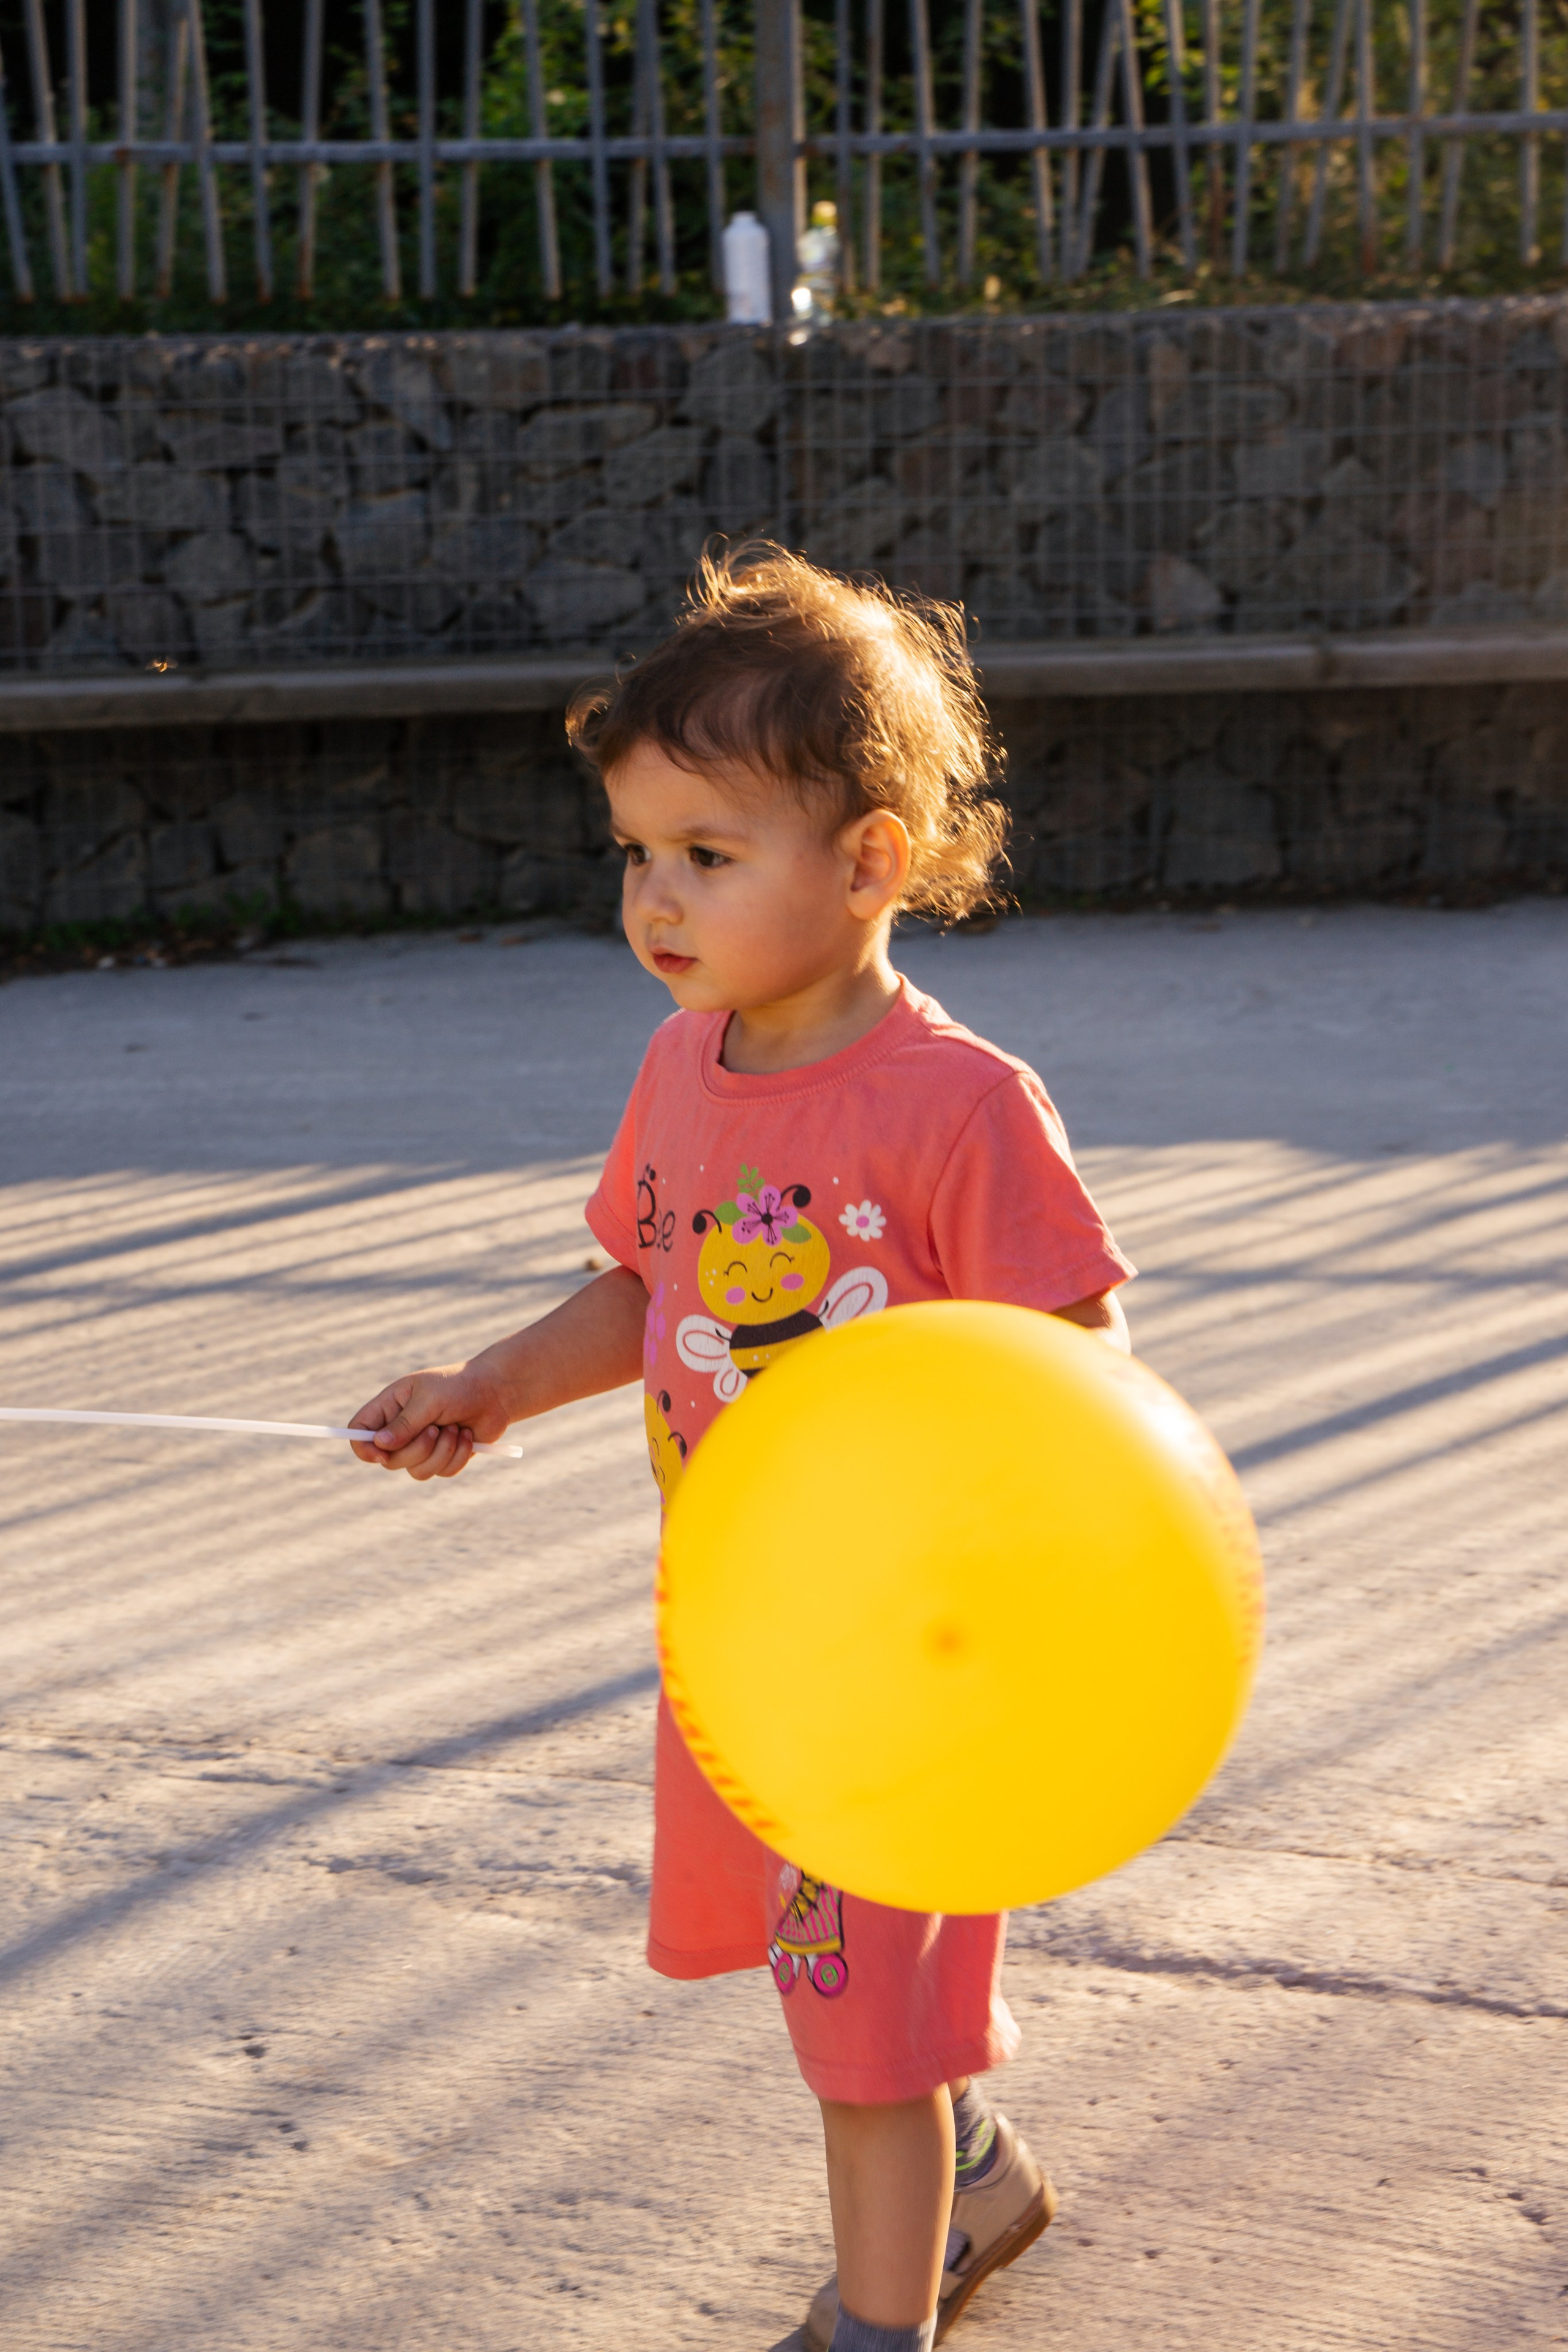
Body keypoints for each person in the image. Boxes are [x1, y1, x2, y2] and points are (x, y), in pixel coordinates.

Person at [350, 545, 1134, 2352]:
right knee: (831, 1980)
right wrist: (489, 1382)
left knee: (863, 2038)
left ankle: (880, 2324)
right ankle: (978, 2173)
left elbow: (1082, 1369)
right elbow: (652, 1286)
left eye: (708, 854)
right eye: (636, 852)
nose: (656, 898)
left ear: (869, 862)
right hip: (747, 1638)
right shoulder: (684, 1071)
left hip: (910, 1668)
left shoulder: (961, 1109)